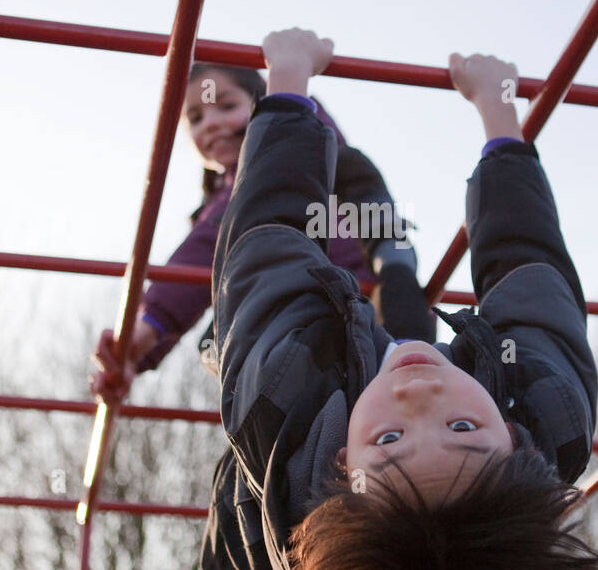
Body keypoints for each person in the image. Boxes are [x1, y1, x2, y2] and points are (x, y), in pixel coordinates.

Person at [203, 27, 598, 570]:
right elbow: (531, 264)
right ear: (518, 447)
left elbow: (263, 235)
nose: (420, 390)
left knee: (240, 339)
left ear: (343, 463)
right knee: (396, 337)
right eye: (461, 426)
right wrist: (498, 113)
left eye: (390, 441)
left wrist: (287, 85)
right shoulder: (551, 417)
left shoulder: (280, 402)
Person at [90, 61, 434, 404]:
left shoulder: (300, 156)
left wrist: (150, 325)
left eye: (227, 106)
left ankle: (406, 372)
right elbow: (199, 268)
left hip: (346, 297)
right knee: (212, 343)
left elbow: (370, 203)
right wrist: (141, 345)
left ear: (265, 104)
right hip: (286, 316)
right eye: (195, 118)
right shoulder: (215, 204)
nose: (211, 124)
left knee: (399, 299)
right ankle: (272, 412)